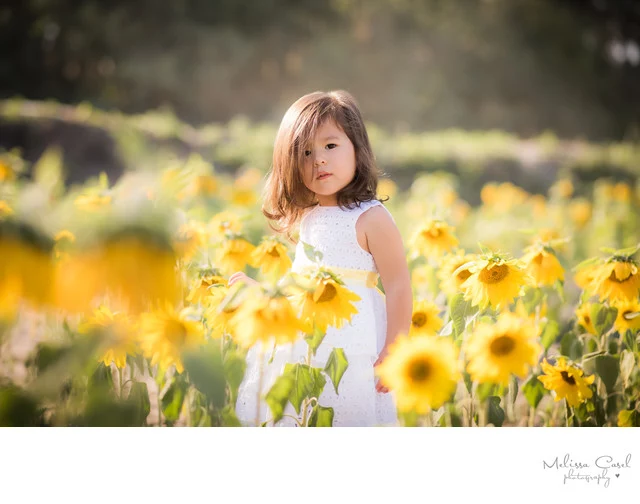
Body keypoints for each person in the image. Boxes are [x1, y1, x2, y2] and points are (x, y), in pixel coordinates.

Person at [229, 90, 413, 426]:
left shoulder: (371, 218)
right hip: (304, 346)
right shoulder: (308, 216)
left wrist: (394, 349)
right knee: (299, 409)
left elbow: (399, 284)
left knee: (345, 405)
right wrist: (260, 291)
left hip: (353, 345)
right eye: (305, 152)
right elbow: (298, 282)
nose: (319, 160)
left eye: (330, 146)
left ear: (356, 147)